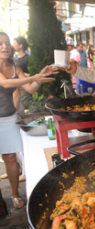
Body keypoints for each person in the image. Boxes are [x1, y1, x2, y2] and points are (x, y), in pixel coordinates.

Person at [0, 32, 56, 209]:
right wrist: (33, 77)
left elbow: (31, 88)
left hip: (8, 117)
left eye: (7, 43)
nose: (5, 47)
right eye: (1, 44)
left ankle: (15, 194)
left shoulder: (14, 66)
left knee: (10, 157)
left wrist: (40, 75)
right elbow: (5, 83)